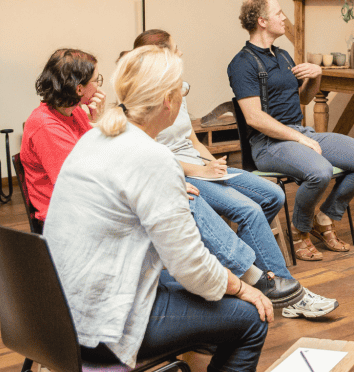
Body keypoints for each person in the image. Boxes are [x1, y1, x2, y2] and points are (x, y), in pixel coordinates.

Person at [44, 45, 271, 372]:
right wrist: (243, 288)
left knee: (210, 303)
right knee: (250, 318)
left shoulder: (96, 138)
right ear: (168, 101)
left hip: (58, 317)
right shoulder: (150, 157)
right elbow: (191, 267)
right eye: (182, 89)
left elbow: (186, 269)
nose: (183, 95)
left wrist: (220, 284)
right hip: (99, 330)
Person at [128, 29, 338, 320]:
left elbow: (193, 140)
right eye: (176, 49)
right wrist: (201, 170)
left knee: (272, 194)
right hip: (182, 174)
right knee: (249, 210)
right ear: (161, 56)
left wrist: (215, 165)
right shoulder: (143, 102)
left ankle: (253, 268)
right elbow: (155, 157)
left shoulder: (177, 90)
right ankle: (287, 293)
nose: (181, 54)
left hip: (201, 166)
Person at [227, 0, 354, 262]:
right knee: (320, 171)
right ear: (262, 21)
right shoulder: (242, 64)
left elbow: (304, 99)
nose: (283, 17)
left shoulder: (283, 55)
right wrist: (298, 140)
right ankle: (300, 230)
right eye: (278, 13)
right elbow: (254, 118)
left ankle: (326, 217)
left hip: (299, 133)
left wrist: (316, 77)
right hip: (267, 144)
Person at [19, 48, 106, 222]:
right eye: (97, 80)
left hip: (80, 204)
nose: (99, 86)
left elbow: (96, 158)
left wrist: (97, 122)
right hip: (64, 218)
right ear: (79, 89)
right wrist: (100, 124)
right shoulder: (45, 126)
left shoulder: (76, 112)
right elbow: (77, 183)